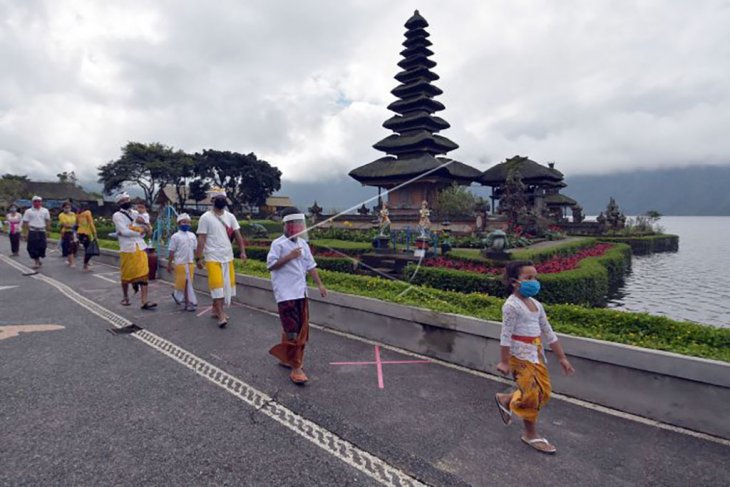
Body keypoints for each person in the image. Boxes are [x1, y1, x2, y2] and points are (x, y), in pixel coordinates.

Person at [494, 260, 575, 454]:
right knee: (532, 395)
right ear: (515, 282)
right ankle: (530, 435)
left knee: (543, 392)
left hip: (536, 354)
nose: (534, 282)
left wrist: (562, 357)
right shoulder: (511, 306)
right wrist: (504, 361)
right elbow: (505, 335)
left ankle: (506, 399)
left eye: (535, 277)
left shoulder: (537, 305)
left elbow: (549, 333)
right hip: (519, 357)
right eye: (528, 278)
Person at [266, 208, 327, 385]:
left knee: (299, 328)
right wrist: (289, 256)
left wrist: (320, 284)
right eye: (293, 225)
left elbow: (311, 266)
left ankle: (286, 358)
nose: (296, 228)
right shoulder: (278, 244)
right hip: (285, 294)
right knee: (294, 330)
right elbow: (271, 266)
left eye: (299, 225)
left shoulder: (303, 244)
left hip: (301, 292)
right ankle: (296, 367)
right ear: (285, 225)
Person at [195, 188, 246, 328]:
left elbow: (238, 235)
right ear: (212, 201)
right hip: (212, 257)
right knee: (217, 285)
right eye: (217, 198)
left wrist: (242, 251)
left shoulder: (230, 217)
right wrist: (198, 258)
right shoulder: (205, 217)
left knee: (225, 286)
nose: (220, 201)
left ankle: (215, 309)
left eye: (222, 198)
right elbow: (201, 239)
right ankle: (221, 314)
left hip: (227, 256)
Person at [112, 192, 156, 309]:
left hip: (140, 247)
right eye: (122, 201)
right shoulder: (117, 216)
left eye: (127, 199)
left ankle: (144, 301)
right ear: (119, 204)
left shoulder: (136, 213)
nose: (126, 202)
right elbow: (124, 232)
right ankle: (125, 297)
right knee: (126, 275)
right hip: (127, 249)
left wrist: (145, 225)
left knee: (144, 274)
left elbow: (149, 229)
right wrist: (141, 230)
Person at [167, 213, 198, 312]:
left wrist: (198, 259)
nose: (186, 224)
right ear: (179, 223)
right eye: (184, 222)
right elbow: (171, 251)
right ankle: (188, 302)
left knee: (188, 282)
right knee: (185, 282)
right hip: (180, 263)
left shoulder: (192, 236)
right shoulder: (175, 237)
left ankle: (177, 296)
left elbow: (195, 249)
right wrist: (169, 264)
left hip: (190, 262)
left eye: (188, 222)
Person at [21, 196, 51, 269]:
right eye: (35, 201)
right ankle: (36, 261)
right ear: (32, 202)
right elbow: (25, 222)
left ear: (41, 202)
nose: (37, 203)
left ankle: (39, 258)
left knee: (42, 246)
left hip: (42, 231)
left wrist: (48, 230)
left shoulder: (45, 210)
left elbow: (47, 221)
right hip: (32, 230)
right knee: (32, 247)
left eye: (39, 201)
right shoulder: (28, 211)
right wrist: (25, 233)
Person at [76, 203, 98, 272]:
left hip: (80, 233)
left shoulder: (78, 214)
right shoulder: (88, 213)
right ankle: (85, 266)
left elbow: (77, 224)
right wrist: (95, 233)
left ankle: (86, 263)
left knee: (87, 249)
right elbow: (91, 223)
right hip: (85, 233)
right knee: (89, 251)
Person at [58, 201, 78, 267]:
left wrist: (74, 225)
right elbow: (65, 225)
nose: (67, 209)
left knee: (74, 246)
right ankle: (72, 262)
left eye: (69, 207)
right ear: (63, 208)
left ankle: (69, 260)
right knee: (70, 247)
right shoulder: (61, 215)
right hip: (66, 232)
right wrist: (72, 225)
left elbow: (75, 222)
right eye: (66, 207)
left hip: (73, 232)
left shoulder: (72, 214)